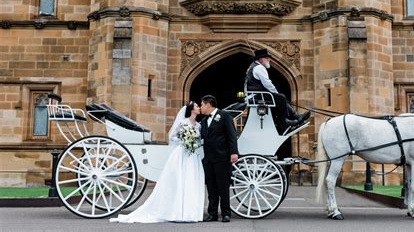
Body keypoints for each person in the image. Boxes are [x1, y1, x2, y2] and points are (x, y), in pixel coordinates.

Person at [110, 101, 204, 223]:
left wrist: (193, 143)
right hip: (181, 154)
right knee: (179, 180)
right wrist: (184, 140)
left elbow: (200, 140)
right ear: (191, 110)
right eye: (197, 106)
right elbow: (171, 137)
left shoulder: (198, 125)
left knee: (190, 180)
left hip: (192, 156)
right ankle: (176, 210)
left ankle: (189, 212)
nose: (199, 108)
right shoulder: (183, 122)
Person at [245, 48, 311, 134]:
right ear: (260, 59)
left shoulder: (253, 66)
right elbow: (267, 83)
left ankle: (296, 116)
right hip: (256, 96)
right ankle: (283, 123)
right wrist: (276, 93)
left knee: (281, 98)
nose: (269, 59)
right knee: (281, 97)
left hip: (254, 96)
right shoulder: (259, 68)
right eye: (266, 58)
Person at [200, 95, 239, 223]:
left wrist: (234, 152)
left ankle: (226, 214)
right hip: (208, 159)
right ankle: (212, 214)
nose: (201, 107)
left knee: (223, 187)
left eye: (202, 105)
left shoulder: (224, 115)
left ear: (208, 104)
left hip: (222, 157)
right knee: (211, 188)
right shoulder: (204, 121)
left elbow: (232, 135)